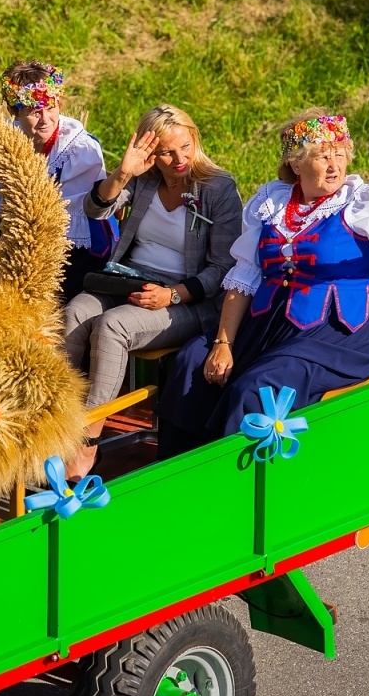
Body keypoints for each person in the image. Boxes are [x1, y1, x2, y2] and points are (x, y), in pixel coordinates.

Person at [158, 112, 369, 455]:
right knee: (191, 361)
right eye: (323, 156)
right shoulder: (271, 202)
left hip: (342, 334)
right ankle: (177, 471)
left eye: (340, 154)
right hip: (271, 326)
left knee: (258, 386)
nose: (335, 164)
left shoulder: (362, 202)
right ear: (296, 164)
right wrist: (223, 342)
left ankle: (237, 490)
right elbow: (244, 277)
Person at [62, 104, 243, 478]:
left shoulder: (217, 188)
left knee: (113, 326)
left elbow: (223, 268)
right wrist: (122, 173)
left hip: (186, 297)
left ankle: (86, 443)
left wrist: (173, 295)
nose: (178, 159)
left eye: (185, 147)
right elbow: (95, 211)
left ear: (195, 139)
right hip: (128, 279)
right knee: (75, 313)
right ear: (151, 153)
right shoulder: (144, 180)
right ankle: (53, 422)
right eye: (166, 152)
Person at [0, 61, 109, 301]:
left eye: (51, 107)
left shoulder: (79, 149)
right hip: (24, 240)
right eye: (34, 111)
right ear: (14, 112)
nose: (46, 119)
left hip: (73, 250)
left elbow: (62, 222)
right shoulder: (8, 142)